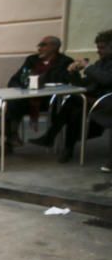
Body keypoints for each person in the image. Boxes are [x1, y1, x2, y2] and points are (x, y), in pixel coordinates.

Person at [30, 29, 112, 162]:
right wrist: (73, 72)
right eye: (98, 48)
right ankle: (63, 146)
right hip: (93, 99)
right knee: (73, 107)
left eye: (102, 48)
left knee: (73, 104)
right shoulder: (101, 63)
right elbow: (84, 83)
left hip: (106, 102)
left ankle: (54, 139)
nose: (98, 51)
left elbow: (107, 79)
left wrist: (88, 67)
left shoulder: (102, 65)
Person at [2, 36, 74, 150]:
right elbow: (16, 78)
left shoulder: (64, 61)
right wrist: (19, 88)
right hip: (28, 98)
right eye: (39, 45)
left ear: (54, 47)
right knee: (11, 103)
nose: (39, 48)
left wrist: (42, 81)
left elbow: (62, 80)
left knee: (64, 107)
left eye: (43, 45)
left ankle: (51, 138)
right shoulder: (32, 60)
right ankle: (11, 137)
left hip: (49, 99)